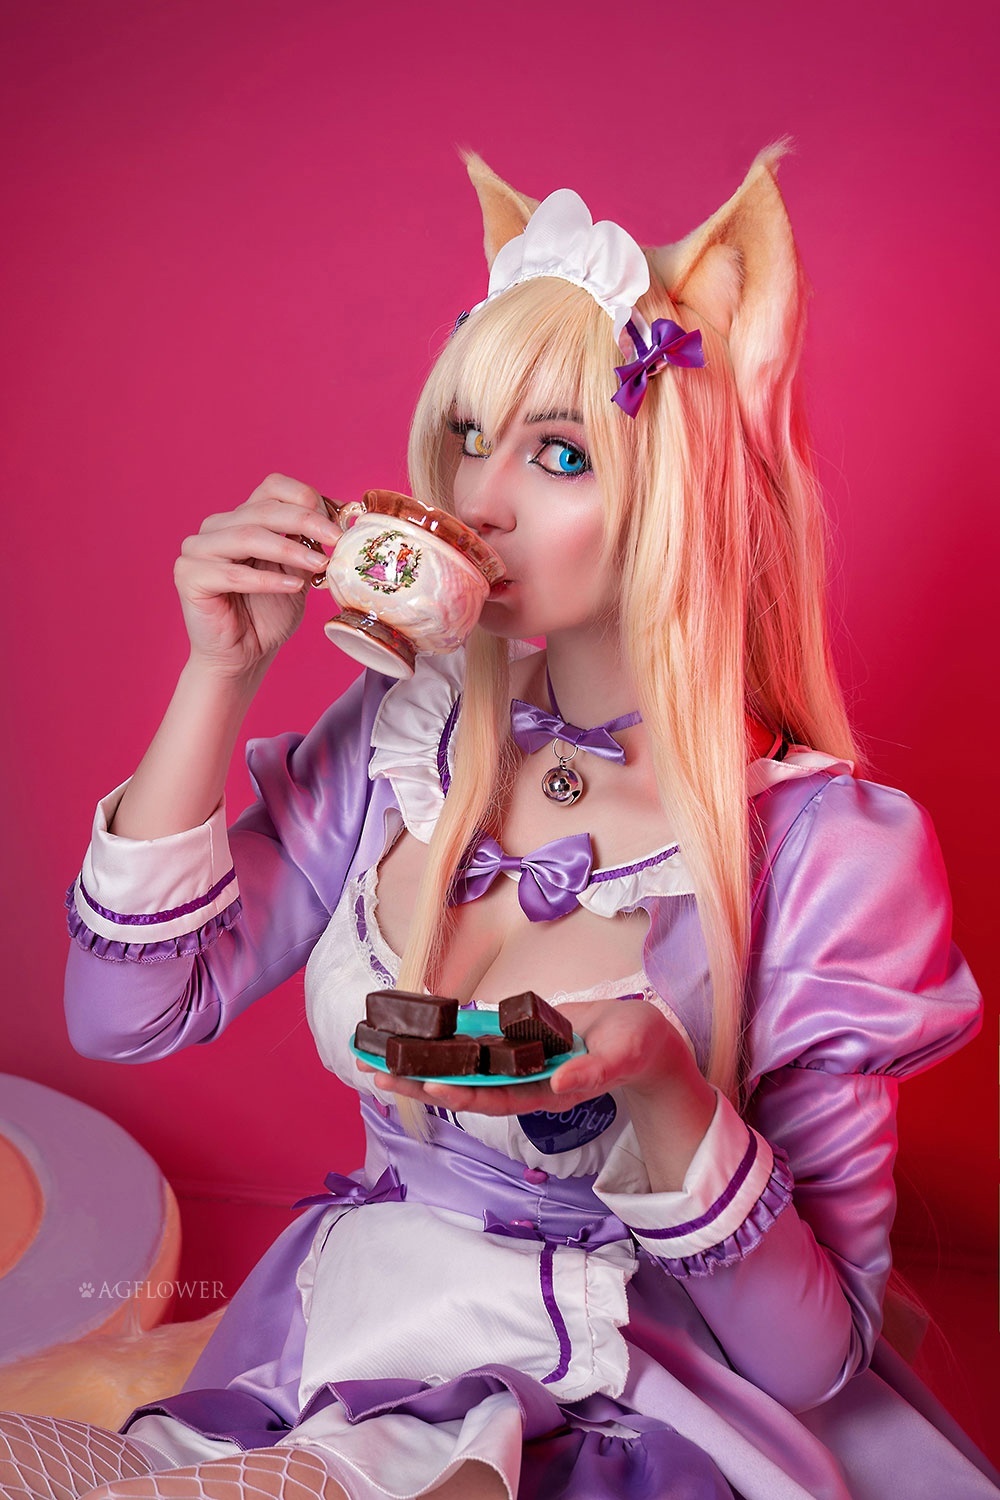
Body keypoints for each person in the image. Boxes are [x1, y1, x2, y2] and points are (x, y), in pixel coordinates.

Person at [2, 148, 996, 1500]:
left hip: (603, 1408)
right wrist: (219, 672)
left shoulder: (831, 851)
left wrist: (664, 1090)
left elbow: (817, 1358)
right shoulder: (406, 735)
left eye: (561, 454)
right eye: (470, 437)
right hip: (346, 1348)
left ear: (683, 491)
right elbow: (126, 1015)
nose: (478, 501)